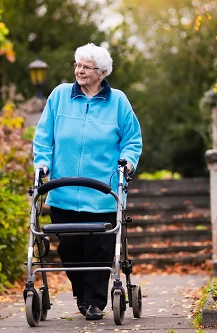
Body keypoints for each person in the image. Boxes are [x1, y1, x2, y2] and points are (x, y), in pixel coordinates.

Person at [32, 43, 142, 321]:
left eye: (86, 67)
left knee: (99, 249)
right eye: (77, 65)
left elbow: (132, 140)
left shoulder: (118, 101)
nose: (79, 70)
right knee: (69, 248)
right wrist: (42, 161)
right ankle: (83, 294)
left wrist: (127, 161)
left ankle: (95, 301)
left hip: (103, 193)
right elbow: (44, 135)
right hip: (63, 190)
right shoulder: (59, 96)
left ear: (102, 72)